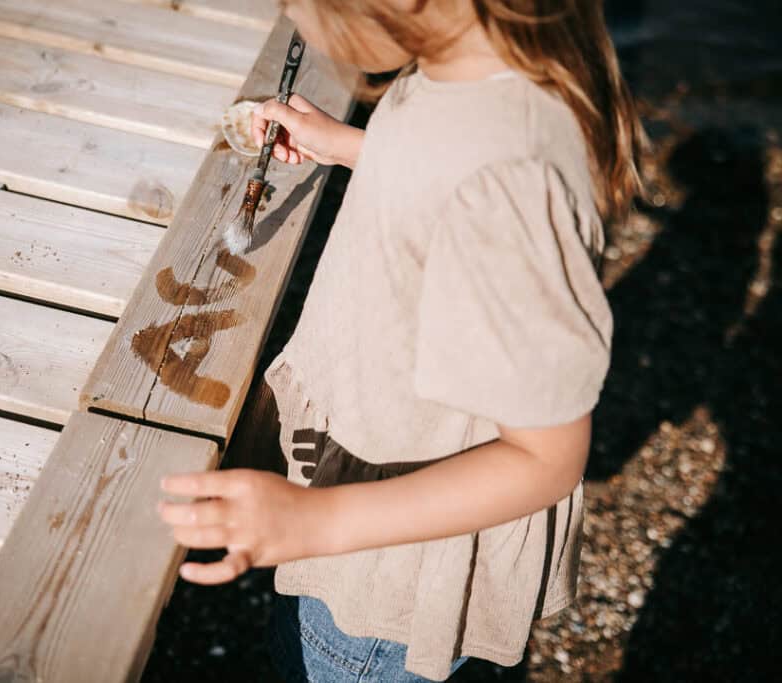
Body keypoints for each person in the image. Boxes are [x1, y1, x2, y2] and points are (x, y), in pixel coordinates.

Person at [156, 0, 645, 680]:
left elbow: (546, 456)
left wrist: (311, 523)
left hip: (390, 571)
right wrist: (355, 147)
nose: (290, 18)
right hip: (376, 485)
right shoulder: (481, 68)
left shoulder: (504, 182)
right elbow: (447, 166)